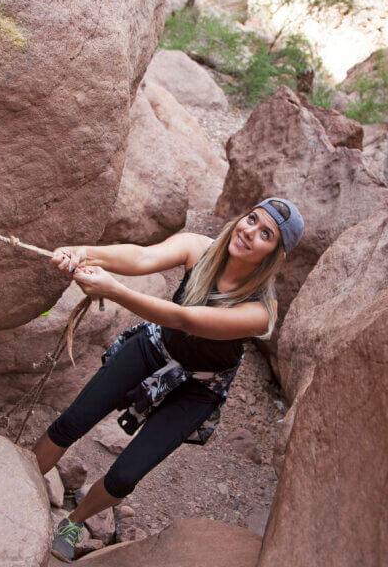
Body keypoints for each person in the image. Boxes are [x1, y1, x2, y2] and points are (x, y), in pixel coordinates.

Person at [33, 197, 304, 562]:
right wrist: (80, 252)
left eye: (265, 233)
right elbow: (142, 258)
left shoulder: (259, 312)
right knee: (72, 422)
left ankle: (75, 520)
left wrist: (114, 290)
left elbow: (185, 319)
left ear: (275, 255)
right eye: (251, 219)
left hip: (198, 388)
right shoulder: (200, 248)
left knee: (124, 477)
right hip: (156, 347)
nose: (249, 231)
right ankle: (23, 486)